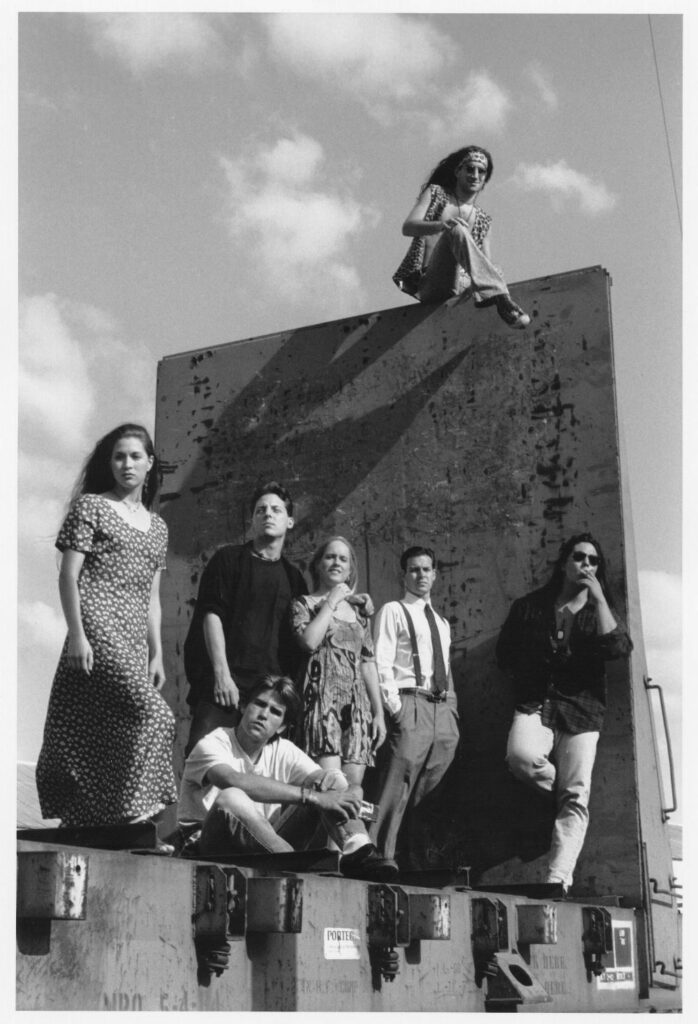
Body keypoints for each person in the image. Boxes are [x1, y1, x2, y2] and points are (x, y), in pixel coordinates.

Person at [36, 423, 177, 828]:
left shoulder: (158, 527)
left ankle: (90, 822)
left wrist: (157, 653)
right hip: (97, 623)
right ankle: (133, 817)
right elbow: (68, 575)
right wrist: (77, 634)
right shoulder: (91, 507)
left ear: (150, 463)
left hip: (134, 637)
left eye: (135, 456)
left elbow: (153, 597)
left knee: (107, 733)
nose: (126, 464)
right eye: (118, 456)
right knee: (157, 717)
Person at [496, 533, 633, 892]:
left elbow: (618, 646)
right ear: (563, 562)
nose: (587, 565)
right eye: (579, 558)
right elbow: (505, 654)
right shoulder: (531, 606)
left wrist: (600, 597)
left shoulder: (599, 609)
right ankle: (556, 801)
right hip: (536, 703)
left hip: (583, 711)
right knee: (521, 757)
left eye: (593, 560)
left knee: (577, 794)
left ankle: (558, 877)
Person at [177, 675, 397, 880]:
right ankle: (297, 865)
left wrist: (349, 792)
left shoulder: (284, 750)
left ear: (281, 726)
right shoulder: (214, 741)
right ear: (244, 706)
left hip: (264, 848)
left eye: (275, 712)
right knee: (232, 796)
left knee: (324, 783)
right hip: (211, 849)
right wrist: (312, 797)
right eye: (259, 704)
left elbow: (331, 782)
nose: (263, 715)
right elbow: (232, 779)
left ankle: (358, 850)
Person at [183, 481, 307, 754]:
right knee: (204, 764)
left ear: (290, 521)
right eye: (260, 510)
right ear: (252, 520)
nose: (268, 514)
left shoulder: (294, 578)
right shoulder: (228, 559)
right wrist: (221, 674)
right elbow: (211, 614)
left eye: (276, 509)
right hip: (222, 688)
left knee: (256, 778)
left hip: (266, 696)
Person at [369, 546, 460, 871]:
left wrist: (451, 711)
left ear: (435, 574)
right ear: (403, 575)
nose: (421, 576)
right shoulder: (393, 610)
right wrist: (397, 709)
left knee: (430, 787)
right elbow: (382, 660)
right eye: (414, 570)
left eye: (426, 570)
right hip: (410, 703)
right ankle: (381, 855)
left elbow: (445, 668)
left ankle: (414, 857)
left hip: (442, 710)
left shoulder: (441, 622)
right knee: (397, 782)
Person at [393, 145, 531, 329]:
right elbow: (408, 227)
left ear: (484, 181)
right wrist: (442, 225)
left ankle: (498, 299)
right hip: (433, 282)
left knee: (495, 269)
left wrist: (489, 276)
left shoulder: (484, 220)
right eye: (470, 168)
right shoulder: (436, 195)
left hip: (464, 289)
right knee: (456, 229)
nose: (475, 175)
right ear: (458, 172)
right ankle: (501, 298)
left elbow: (485, 265)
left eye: (481, 171)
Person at [291, 537, 386, 790]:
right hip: (321, 703)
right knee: (330, 787)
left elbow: (367, 663)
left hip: (357, 708)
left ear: (350, 569)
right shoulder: (304, 604)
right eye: (330, 557)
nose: (336, 562)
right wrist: (332, 601)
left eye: (343, 559)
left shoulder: (359, 613)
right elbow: (309, 642)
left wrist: (378, 714)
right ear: (318, 565)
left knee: (353, 787)